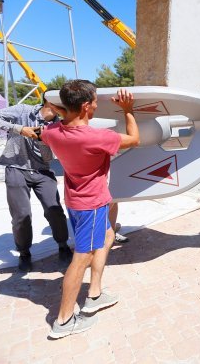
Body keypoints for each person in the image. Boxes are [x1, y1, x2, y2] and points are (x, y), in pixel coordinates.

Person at [41, 80, 139, 338]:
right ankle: (63, 321)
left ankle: (94, 293)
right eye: (94, 101)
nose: (97, 104)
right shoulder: (98, 136)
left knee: (107, 236)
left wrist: (65, 112)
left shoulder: (52, 133)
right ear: (86, 106)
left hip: (74, 201)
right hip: (92, 205)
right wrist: (128, 109)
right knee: (81, 258)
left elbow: (53, 125)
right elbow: (135, 139)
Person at [0, 95, 72, 272]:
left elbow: (47, 157)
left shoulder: (60, 124)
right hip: (15, 167)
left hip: (42, 170)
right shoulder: (23, 111)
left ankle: (63, 246)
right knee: (21, 215)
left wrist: (42, 139)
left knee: (55, 211)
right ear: (50, 102)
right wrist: (20, 129)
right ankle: (24, 253)